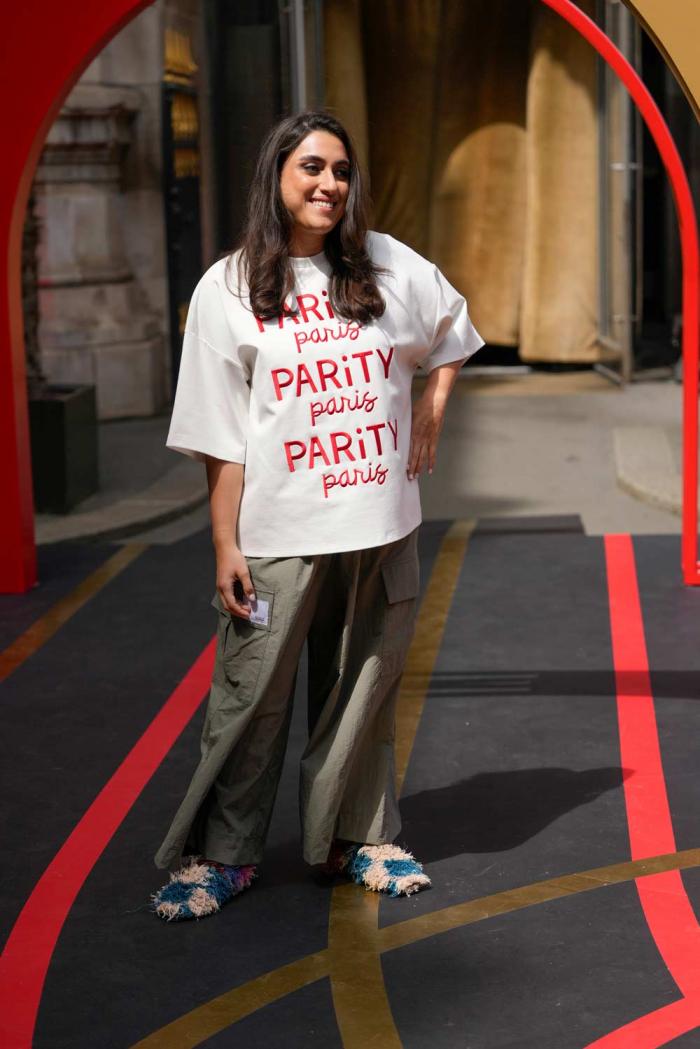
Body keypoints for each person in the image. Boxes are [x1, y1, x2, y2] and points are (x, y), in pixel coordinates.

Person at [151, 110, 485, 921]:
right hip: (278, 534)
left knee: (362, 692)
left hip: (380, 525)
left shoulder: (389, 266)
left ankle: (357, 838)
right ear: (276, 176)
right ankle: (223, 854)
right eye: (312, 167)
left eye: (341, 170)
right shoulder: (228, 287)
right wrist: (224, 542)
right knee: (251, 695)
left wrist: (434, 407)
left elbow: (453, 326)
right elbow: (219, 439)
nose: (330, 183)